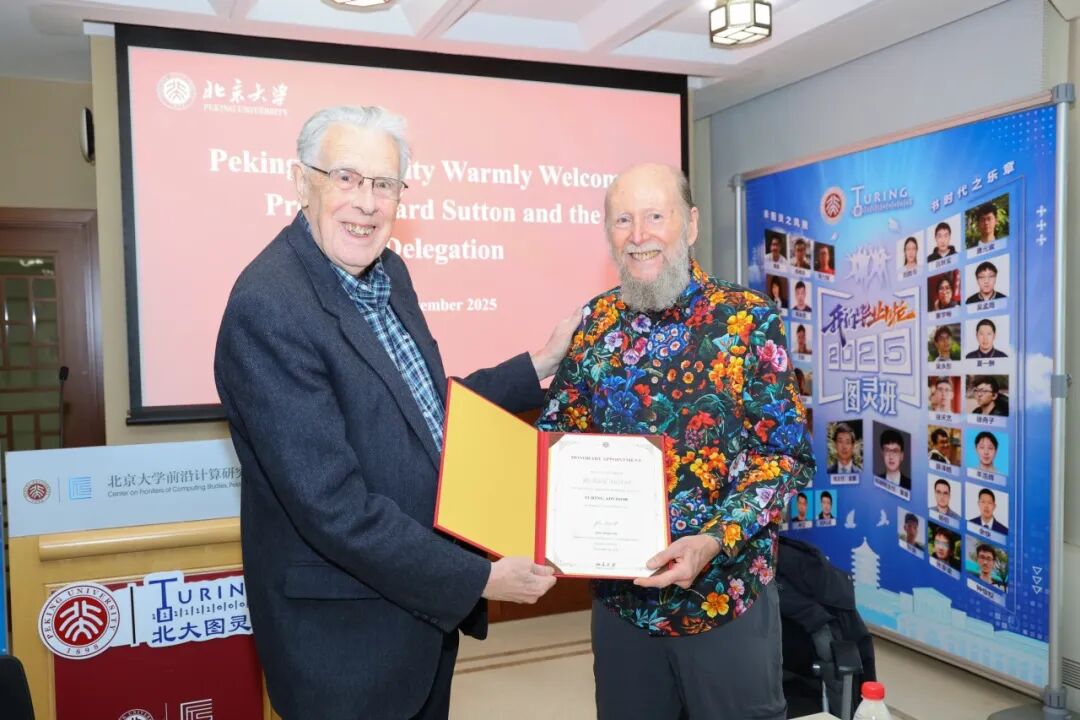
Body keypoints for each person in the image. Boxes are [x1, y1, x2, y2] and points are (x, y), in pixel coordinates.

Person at [213, 106, 574, 720]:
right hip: (345, 645)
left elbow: (421, 407)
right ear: (302, 183)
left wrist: (535, 365)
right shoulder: (269, 307)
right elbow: (334, 508)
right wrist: (479, 581)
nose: (367, 202)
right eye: (345, 177)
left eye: (384, 184)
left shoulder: (388, 273)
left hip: (419, 620)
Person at [537, 163, 814, 720]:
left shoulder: (747, 320)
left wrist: (712, 540)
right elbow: (559, 440)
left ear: (690, 224)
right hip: (622, 607)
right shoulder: (594, 325)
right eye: (623, 220)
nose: (638, 235)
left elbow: (783, 457)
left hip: (725, 599)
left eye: (655, 217)